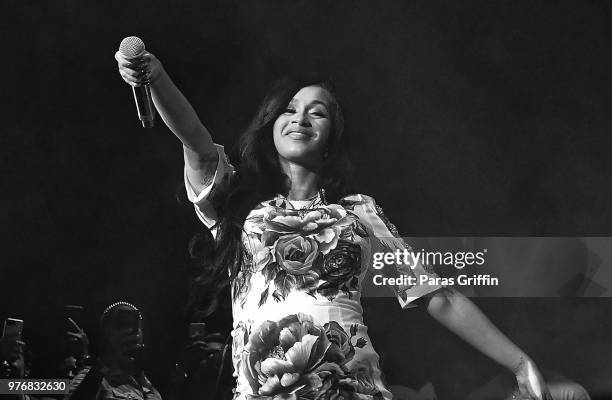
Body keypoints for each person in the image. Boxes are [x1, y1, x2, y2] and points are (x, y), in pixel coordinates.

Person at [115, 49, 556, 400]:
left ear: (331, 138)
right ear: (272, 124)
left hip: (352, 390)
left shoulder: (359, 211)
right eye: (289, 109)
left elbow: (437, 297)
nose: (300, 117)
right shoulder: (236, 206)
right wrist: (156, 78)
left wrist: (521, 364)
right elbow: (194, 140)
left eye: (317, 112)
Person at [66, 302, 162, 400]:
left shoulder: (146, 384)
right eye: (121, 325)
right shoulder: (93, 377)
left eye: (135, 325)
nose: (130, 330)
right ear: (107, 334)